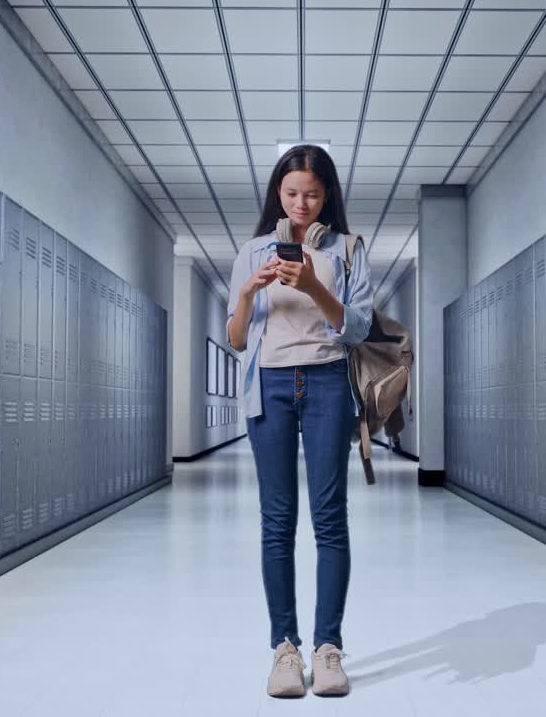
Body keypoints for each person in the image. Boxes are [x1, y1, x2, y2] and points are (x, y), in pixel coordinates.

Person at [226, 144, 374, 698]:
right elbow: (238, 338)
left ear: (327, 194)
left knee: (329, 517)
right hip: (270, 385)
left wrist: (313, 285)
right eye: (291, 193)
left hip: (328, 383)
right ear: (278, 194)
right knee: (277, 519)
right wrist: (248, 291)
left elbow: (357, 327)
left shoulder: (348, 250)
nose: (301, 203)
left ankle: (327, 649)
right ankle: (284, 650)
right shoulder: (252, 251)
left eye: (312, 194)